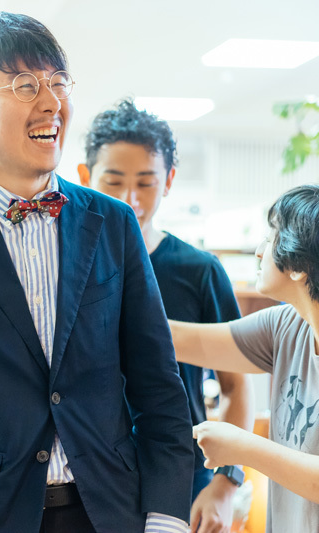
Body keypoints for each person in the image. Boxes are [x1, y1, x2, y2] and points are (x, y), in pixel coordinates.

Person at [0, 12, 194, 533]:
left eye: (58, 82)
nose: (51, 101)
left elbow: (159, 384)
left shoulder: (111, 222)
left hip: (108, 511)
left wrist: (166, 515)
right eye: (24, 85)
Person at [77, 99, 255, 532]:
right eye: (113, 182)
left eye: (146, 183)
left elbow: (235, 387)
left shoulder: (199, 271)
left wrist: (225, 483)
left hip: (182, 474)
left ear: (170, 180)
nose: (129, 200)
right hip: (88, 476)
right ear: (85, 177)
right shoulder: (67, 267)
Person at [170, 184, 319, 533]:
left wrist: (245, 449)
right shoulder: (287, 326)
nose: (258, 252)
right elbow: (180, 340)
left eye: (270, 239)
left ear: (298, 266)